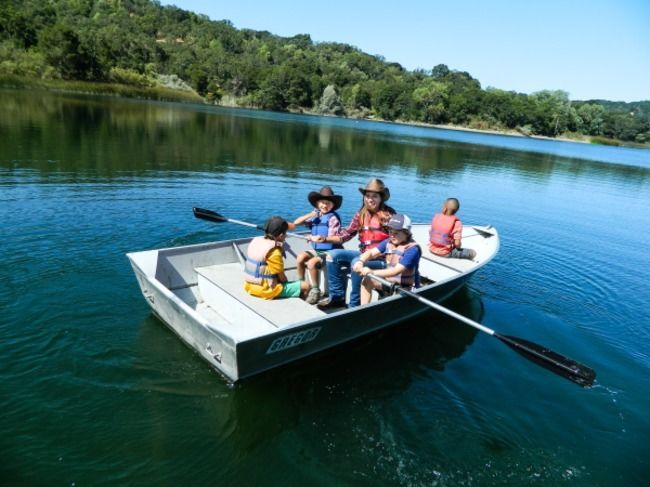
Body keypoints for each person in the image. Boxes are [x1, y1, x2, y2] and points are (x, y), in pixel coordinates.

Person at [317, 178, 396, 309]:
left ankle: (355, 304)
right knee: (331, 255)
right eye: (368, 196)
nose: (370, 199)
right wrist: (325, 239)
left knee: (356, 262)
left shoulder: (389, 215)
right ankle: (337, 298)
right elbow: (346, 234)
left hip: (381, 260)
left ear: (381, 198)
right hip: (363, 255)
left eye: (374, 196)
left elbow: (396, 239)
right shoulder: (361, 214)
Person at [353, 213, 422, 305]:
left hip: (406, 288)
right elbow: (370, 253)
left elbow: (396, 271)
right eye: (390, 232)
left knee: (369, 277)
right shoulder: (388, 242)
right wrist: (360, 262)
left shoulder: (413, 250)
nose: (392, 235)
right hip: (390, 283)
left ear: (406, 233)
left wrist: (371, 272)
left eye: (396, 233)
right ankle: (363, 309)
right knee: (367, 281)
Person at [290, 186, 344, 304]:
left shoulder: (333, 218)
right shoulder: (316, 216)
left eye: (328, 203)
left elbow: (333, 238)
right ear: (317, 203)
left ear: (333, 205)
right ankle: (302, 286)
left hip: (331, 252)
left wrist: (317, 238)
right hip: (317, 250)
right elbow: (296, 223)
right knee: (300, 257)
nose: (324, 206)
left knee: (311, 263)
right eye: (322, 203)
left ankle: (315, 291)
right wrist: (310, 214)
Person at [243, 216, 311, 300]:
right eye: (285, 233)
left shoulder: (256, 241)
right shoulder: (274, 251)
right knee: (306, 286)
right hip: (266, 290)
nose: (286, 236)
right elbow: (282, 278)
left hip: (249, 286)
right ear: (281, 235)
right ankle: (302, 304)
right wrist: (288, 285)